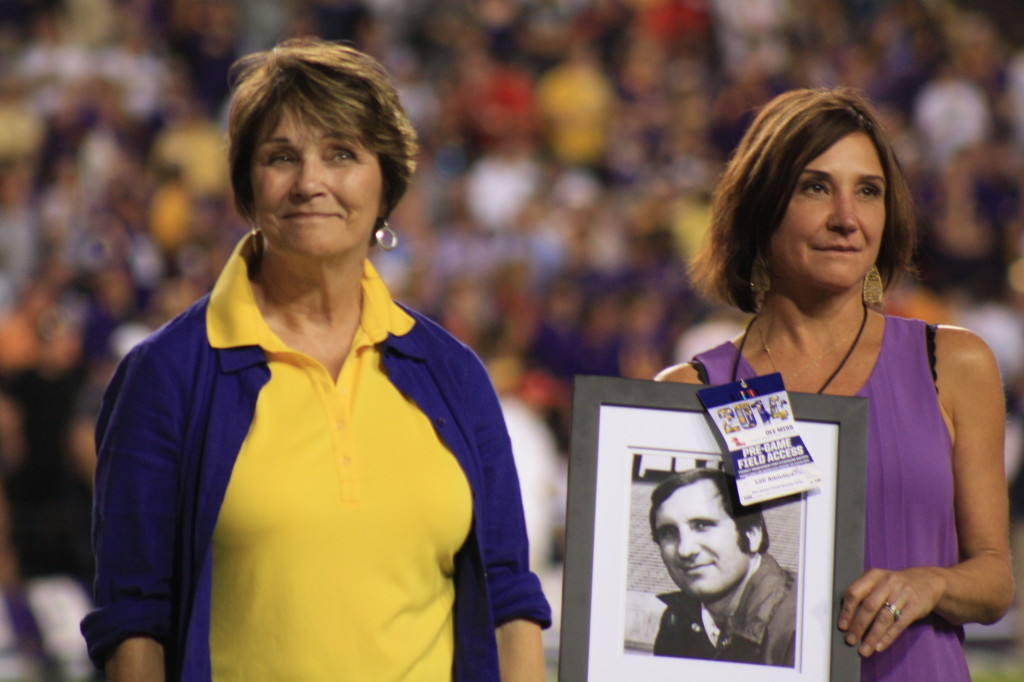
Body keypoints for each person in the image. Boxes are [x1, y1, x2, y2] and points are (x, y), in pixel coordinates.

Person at [79, 38, 551, 681]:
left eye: (341, 154)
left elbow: (508, 594)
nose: (310, 182)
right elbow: (132, 617)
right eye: (281, 157)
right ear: (248, 186)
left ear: (385, 182)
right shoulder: (166, 376)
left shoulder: (453, 373)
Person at [656, 87, 1013, 681]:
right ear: (761, 205)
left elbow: (995, 579)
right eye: (815, 187)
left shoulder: (953, 363)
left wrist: (931, 583)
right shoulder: (692, 389)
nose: (847, 218)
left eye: (868, 192)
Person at [648, 468, 796, 666]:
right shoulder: (676, 622)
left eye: (702, 525)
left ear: (752, 534)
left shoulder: (800, 624)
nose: (685, 549)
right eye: (669, 532)